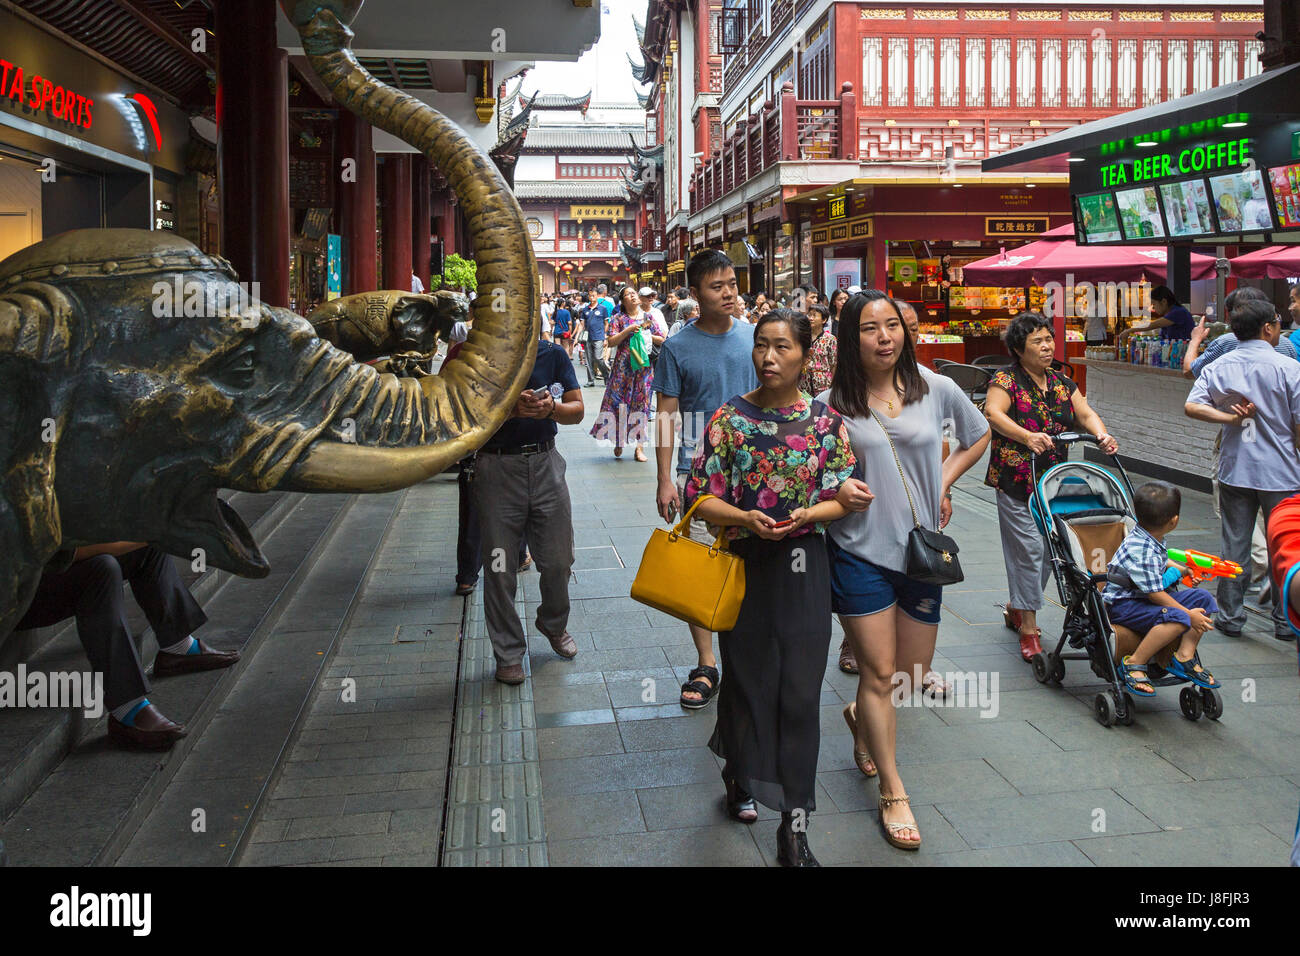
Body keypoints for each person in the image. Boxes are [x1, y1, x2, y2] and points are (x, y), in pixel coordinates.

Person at [684, 308, 856, 867]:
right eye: (761, 345)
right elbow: (698, 496)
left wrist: (813, 510)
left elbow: (841, 495)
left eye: (782, 346)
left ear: (806, 357)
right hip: (745, 563)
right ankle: (738, 769)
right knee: (748, 682)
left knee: (802, 695)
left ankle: (795, 827)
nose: (769, 356)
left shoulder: (827, 424)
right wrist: (740, 516)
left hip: (806, 564)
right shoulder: (730, 419)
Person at [822, 290, 989, 851]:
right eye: (870, 328)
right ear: (852, 337)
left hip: (920, 554)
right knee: (878, 671)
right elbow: (813, 471)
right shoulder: (832, 404)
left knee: (909, 677)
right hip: (859, 551)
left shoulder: (934, 386)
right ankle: (893, 791)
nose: (885, 337)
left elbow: (979, 434)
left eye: (892, 325)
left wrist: (943, 480)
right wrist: (838, 488)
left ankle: (860, 716)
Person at [654, 250, 758, 709]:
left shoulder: (756, 338)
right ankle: (705, 661)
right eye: (718, 286)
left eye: (733, 284)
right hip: (696, 470)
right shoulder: (676, 347)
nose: (730, 293)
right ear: (695, 295)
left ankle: (749, 652)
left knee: (754, 559)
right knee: (701, 564)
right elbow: (666, 416)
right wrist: (664, 479)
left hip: (757, 471)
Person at [14, 543, 239, 749]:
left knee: (149, 542)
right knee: (102, 568)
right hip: (14, 591)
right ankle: (128, 708)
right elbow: (63, 553)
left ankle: (178, 648)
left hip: (43, 565)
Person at [984, 311, 1118, 659]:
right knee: (1028, 550)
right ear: (1018, 348)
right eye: (1037, 341)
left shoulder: (1060, 382)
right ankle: (1028, 628)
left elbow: (1084, 413)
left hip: (1053, 482)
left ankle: (1019, 606)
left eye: (1048, 339)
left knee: (1051, 550)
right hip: (1016, 480)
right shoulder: (1006, 380)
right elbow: (993, 414)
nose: (1046, 347)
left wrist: (1100, 434)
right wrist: (1027, 436)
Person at [1186, 298, 1300, 641]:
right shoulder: (1288, 367)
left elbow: (1192, 406)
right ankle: (1284, 622)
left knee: (1235, 545)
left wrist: (1231, 419)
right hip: (1281, 472)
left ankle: (1232, 618)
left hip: (1236, 469)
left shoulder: (1220, 366)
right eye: (1278, 323)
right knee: (1284, 546)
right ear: (1268, 328)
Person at [472, 338, 584, 685]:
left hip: (546, 463)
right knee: (499, 565)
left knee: (558, 559)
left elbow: (577, 410)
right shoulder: (477, 354)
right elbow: (461, 415)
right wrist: (510, 411)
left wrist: (551, 409)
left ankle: (553, 623)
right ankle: (508, 653)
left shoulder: (552, 354)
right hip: (495, 468)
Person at [1103, 482, 1221, 697]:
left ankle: (1184, 656)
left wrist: (1183, 570)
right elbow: (1155, 594)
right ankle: (1134, 663)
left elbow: (1163, 560)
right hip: (1125, 605)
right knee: (1178, 617)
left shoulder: (1149, 537)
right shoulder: (1142, 550)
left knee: (1202, 598)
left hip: (1143, 599)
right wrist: (1189, 615)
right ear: (1174, 521)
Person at [590, 285, 666, 462]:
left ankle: (639, 447)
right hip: (623, 368)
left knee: (642, 404)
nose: (633, 296)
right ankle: (619, 440)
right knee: (620, 403)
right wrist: (629, 330)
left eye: (634, 293)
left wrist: (645, 332)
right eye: (628, 294)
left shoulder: (648, 317)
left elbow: (661, 338)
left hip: (643, 368)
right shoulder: (618, 318)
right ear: (623, 300)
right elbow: (611, 340)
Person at [1118, 285, 1194, 345]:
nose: (1153, 307)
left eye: (1154, 303)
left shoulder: (1178, 312)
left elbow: (1152, 325)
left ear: (1164, 301)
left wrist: (1130, 330)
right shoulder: (1169, 314)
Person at [798, 302, 836, 397]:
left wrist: (834, 387)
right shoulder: (802, 337)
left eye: (814, 316)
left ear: (824, 320)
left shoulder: (830, 339)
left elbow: (834, 365)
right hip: (803, 384)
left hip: (823, 385)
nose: (810, 318)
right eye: (809, 315)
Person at [577, 288, 612, 386]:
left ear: (597, 296)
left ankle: (606, 375)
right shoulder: (585, 309)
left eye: (594, 296)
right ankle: (590, 380)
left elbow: (606, 323)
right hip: (587, 337)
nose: (592, 298)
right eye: (590, 296)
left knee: (598, 358)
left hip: (599, 337)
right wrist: (577, 337)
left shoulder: (602, 309)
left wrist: (605, 336)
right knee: (588, 359)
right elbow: (581, 324)